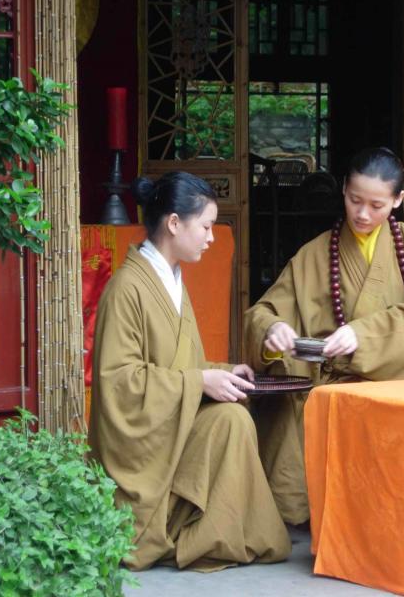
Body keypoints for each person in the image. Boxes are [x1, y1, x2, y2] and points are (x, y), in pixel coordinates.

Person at [243, 147, 404, 525]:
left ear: (398, 200)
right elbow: (262, 313)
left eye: (376, 205)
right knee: (289, 408)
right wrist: (273, 330)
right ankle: (321, 519)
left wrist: (362, 335)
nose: (362, 214)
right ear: (343, 188)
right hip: (336, 380)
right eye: (354, 200)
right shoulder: (315, 254)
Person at [88, 172, 291, 571]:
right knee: (230, 420)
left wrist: (225, 372)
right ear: (174, 223)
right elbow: (120, 383)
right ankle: (175, 528)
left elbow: (182, 365)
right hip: (143, 448)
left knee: (232, 419)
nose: (211, 237)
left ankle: (215, 530)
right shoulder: (127, 287)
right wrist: (200, 381)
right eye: (206, 226)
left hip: (170, 426)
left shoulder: (171, 280)